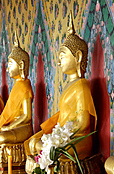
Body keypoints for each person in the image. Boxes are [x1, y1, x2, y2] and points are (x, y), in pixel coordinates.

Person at [24, 13, 96, 161]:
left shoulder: (82, 85)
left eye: (62, 56)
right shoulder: (69, 85)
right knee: (35, 142)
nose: (58, 62)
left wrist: (60, 137)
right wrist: (53, 135)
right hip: (65, 135)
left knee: (49, 147)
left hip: (79, 138)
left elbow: (83, 123)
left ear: (78, 56)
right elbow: (64, 116)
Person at [0, 34, 33, 147]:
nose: (7, 69)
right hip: (13, 123)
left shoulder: (25, 86)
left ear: (21, 65)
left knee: (0, 137)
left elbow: (27, 116)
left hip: (23, 126)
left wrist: (9, 127)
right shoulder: (17, 86)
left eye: (10, 64)